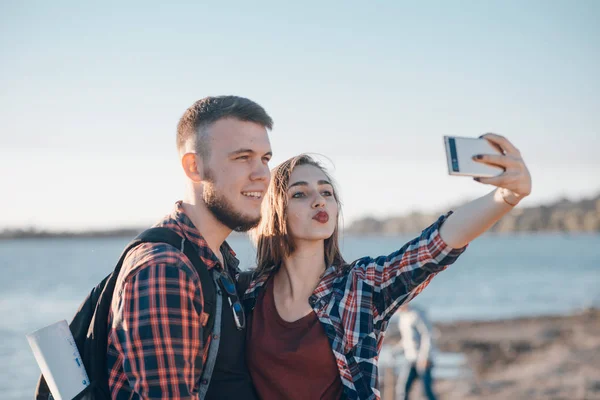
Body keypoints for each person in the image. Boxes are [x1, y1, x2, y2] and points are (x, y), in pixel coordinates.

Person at [243, 133, 532, 400]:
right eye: (300, 194)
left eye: (327, 192)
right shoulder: (248, 293)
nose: (319, 201)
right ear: (275, 211)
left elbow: (431, 249)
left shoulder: (360, 286)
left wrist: (506, 197)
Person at [106, 96, 273, 399]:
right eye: (242, 157)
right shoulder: (165, 269)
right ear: (195, 167)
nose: (262, 174)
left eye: (265, 158)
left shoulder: (217, 260)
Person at [395, 304, 437, 400]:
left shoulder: (417, 314)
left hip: (422, 359)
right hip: (410, 358)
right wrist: (395, 351)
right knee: (402, 390)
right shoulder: (402, 317)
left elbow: (427, 335)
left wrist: (425, 357)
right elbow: (407, 339)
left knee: (427, 391)